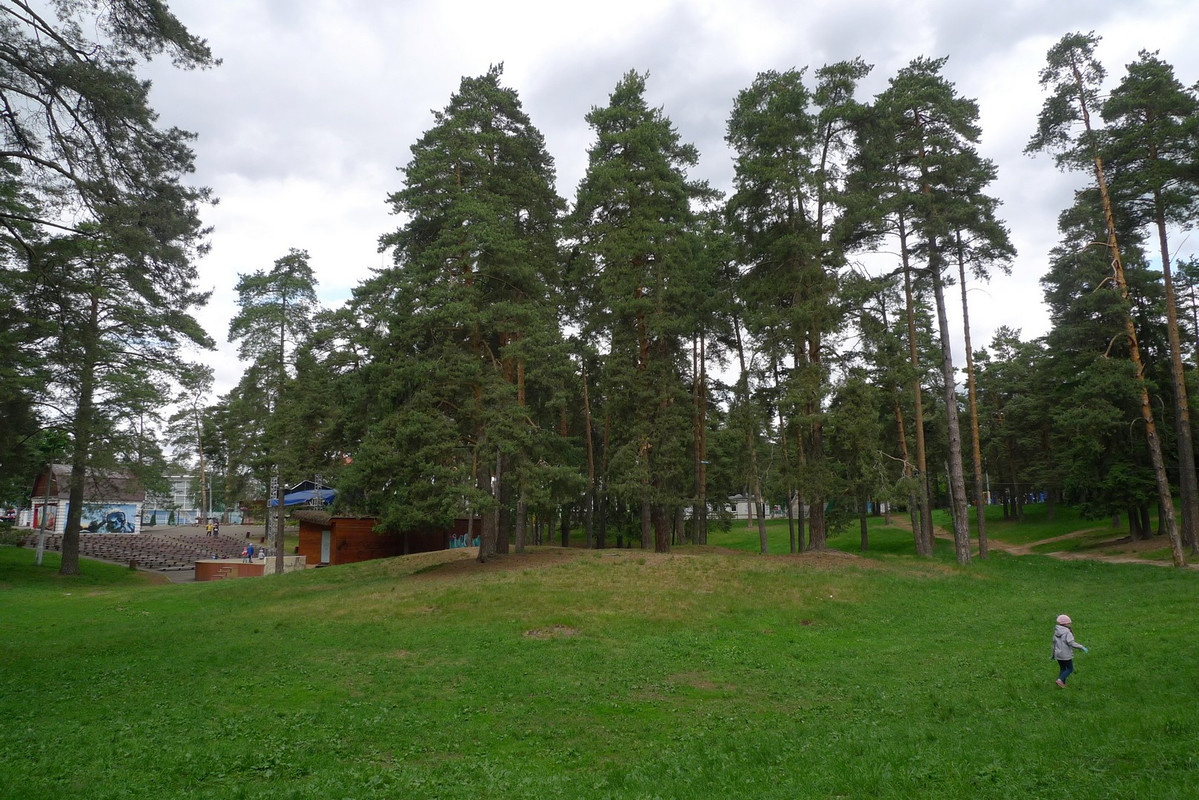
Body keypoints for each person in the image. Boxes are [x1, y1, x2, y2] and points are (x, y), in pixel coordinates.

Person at [1052, 614, 1088, 687]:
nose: (1070, 624)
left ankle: (1062, 684)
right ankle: (1060, 680)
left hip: (1058, 654)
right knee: (1070, 669)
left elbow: (1054, 643)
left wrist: (1053, 654)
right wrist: (1081, 647)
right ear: (1066, 624)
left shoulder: (1056, 631)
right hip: (1065, 655)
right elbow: (1071, 643)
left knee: (1062, 669)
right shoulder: (1067, 632)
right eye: (1069, 623)